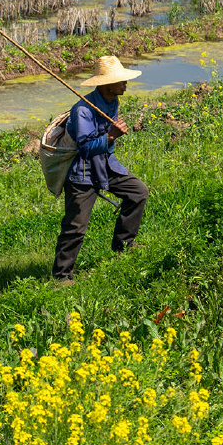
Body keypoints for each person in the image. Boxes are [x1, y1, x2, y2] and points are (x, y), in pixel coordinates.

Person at [53, 56, 148, 284]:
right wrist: (112, 136)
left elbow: (104, 142)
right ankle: (62, 276)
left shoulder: (112, 100)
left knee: (138, 192)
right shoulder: (83, 110)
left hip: (105, 165)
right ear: (107, 84)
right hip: (83, 172)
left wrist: (110, 137)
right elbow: (85, 148)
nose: (125, 84)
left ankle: (124, 244)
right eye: (121, 80)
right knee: (76, 226)